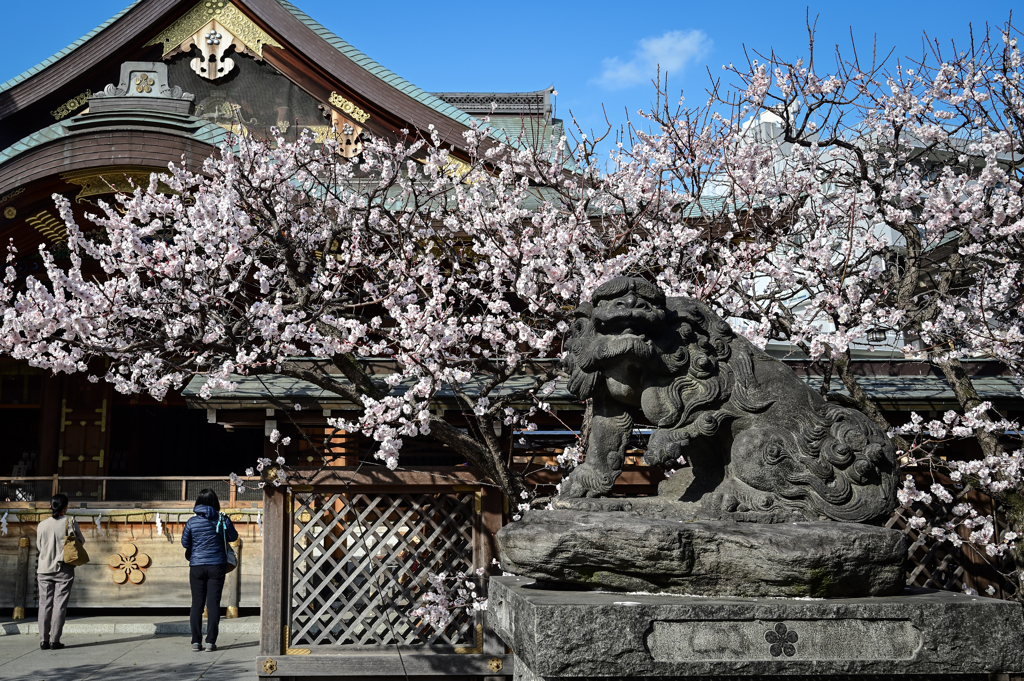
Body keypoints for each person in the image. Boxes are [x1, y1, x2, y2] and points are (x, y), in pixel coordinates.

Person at [181, 488, 238, 652]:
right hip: (216, 566)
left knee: (197, 604)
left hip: (197, 566)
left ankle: (195, 642)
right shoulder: (222, 518)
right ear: (215, 502)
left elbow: (185, 544)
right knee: (213, 604)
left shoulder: (192, 521)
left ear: (198, 502)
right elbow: (233, 537)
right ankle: (211, 642)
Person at [36, 493, 84, 650]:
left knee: (44, 604)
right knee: (59, 605)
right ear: (65, 507)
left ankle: (43, 640)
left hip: (43, 568)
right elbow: (81, 541)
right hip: (64, 567)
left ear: (50, 506)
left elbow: (39, 546)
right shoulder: (70, 521)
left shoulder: (41, 525)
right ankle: (55, 641)